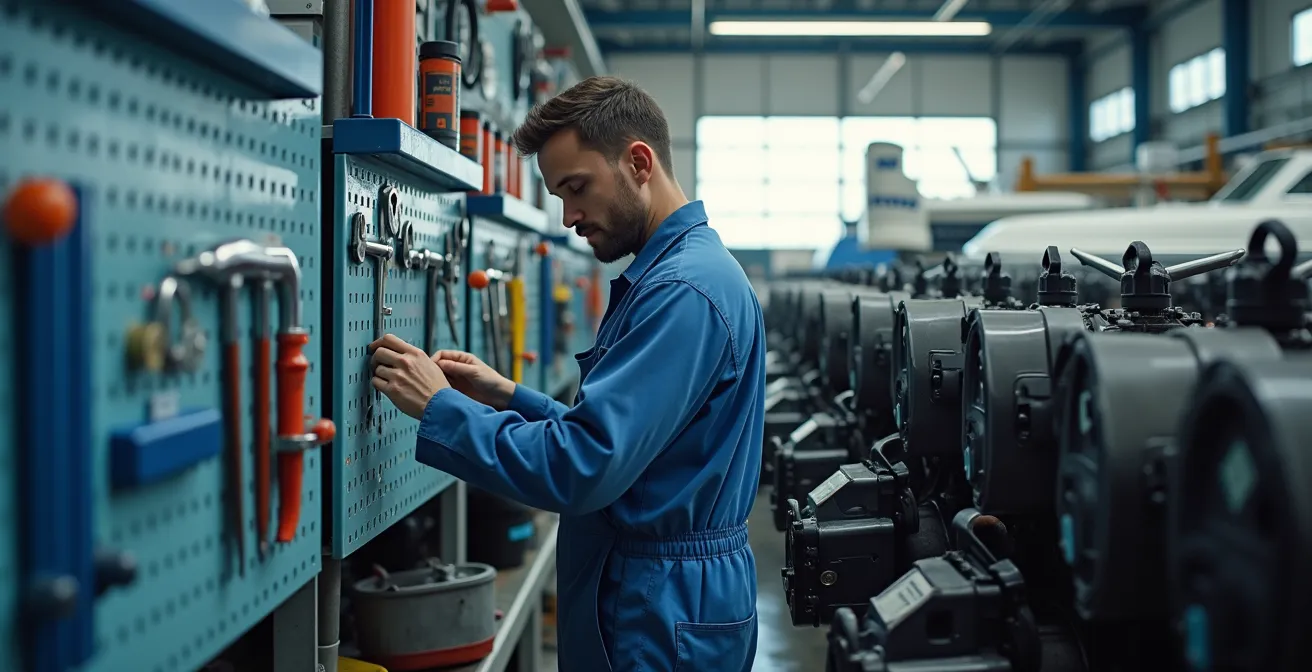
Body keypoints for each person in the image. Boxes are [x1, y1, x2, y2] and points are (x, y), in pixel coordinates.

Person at [367, 76, 766, 672]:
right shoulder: (678, 276)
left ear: (638, 162)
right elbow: (637, 453)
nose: (569, 216)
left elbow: (587, 466)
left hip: (660, 611)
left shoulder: (683, 292)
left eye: (577, 188)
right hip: (660, 593)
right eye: (558, 195)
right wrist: (509, 396)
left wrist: (440, 408)